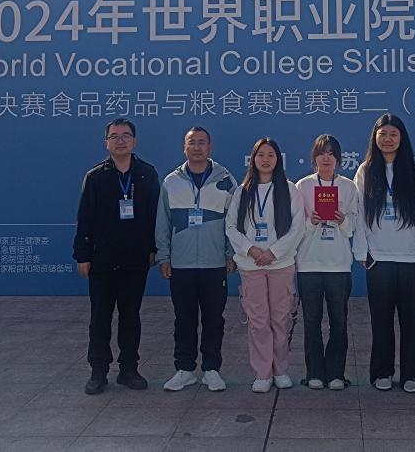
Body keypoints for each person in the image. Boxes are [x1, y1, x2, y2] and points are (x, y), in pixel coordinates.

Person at [73, 118, 160, 395]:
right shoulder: (95, 177)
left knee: (130, 317)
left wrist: (154, 249)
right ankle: (98, 371)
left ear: (134, 141)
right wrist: (82, 256)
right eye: (114, 136)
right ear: (106, 143)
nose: (120, 140)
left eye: (125, 135)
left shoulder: (147, 174)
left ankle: (128, 369)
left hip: (135, 260)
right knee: (100, 318)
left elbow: (155, 216)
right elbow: (85, 219)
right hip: (102, 261)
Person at [155, 126, 238, 392]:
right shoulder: (171, 182)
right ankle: (185, 369)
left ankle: (212, 369)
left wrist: (230, 253)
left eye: (202, 142)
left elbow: (234, 221)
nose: (197, 147)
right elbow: (162, 223)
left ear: (210, 148)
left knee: (214, 319)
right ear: (185, 148)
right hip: (182, 264)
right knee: (184, 319)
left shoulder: (226, 180)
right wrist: (164, 257)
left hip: (215, 264)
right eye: (192, 143)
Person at [352, 113, 415, 393]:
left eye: (393, 134)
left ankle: (411, 375)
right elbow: (359, 214)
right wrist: (362, 251)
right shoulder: (365, 170)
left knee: (411, 320)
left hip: (409, 257)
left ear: (402, 137)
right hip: (378, 258)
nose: (388, 139)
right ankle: (382, 372)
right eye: (382, 134)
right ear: (375, 137)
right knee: (381, 320)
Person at [226, 138, 304, 393]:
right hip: (251, 265)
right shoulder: (242, 191)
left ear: (278, 159)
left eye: (271, 155)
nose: (266, 159)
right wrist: (250, 249)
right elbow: (231, 227)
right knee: (258, 320)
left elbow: (297, 227)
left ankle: (280, 370)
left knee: (280, 319)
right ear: (253, 159)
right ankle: (262, 373)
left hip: (280, 263)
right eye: (261, 155)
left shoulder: (289, 189)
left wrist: (273, 252)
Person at [295, 134, 359, 391]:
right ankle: (314, 373)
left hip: (338, 265)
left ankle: (335, 374)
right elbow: (294, 228)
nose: (326, 158)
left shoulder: (348, 187)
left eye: (331, 153)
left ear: (338, 159)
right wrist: (311, 222)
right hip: (309, 264)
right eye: (322, 153)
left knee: (339, 322)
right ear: (314, 158)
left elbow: (353, 227)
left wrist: (342, 220)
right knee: (311, 322)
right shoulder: (302, 186)